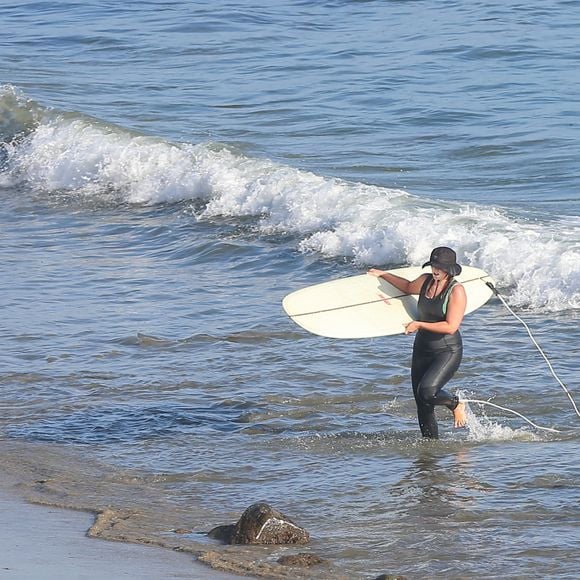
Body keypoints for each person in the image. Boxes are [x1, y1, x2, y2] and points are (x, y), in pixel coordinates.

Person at [368, 247, 468, 439]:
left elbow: (450, 326)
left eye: (439, 267)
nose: (435, 270)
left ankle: (455, 403)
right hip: (423, 347)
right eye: (433, 265)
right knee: (422, 402)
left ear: (450, 269)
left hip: (447, 350)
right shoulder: (425, 281)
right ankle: (430, 450)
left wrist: (419, 324)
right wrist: (384, 274)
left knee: (428, 391)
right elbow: (406, 287)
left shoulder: (456, 291)